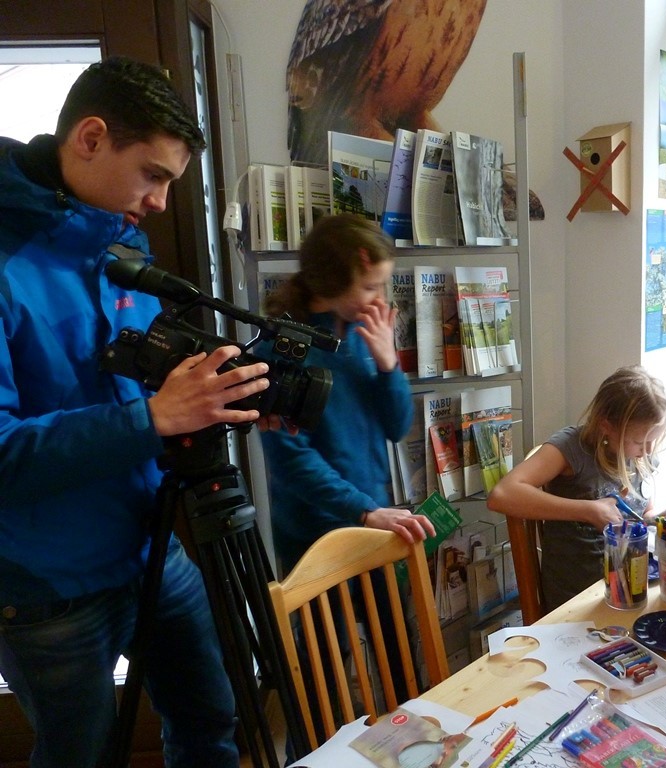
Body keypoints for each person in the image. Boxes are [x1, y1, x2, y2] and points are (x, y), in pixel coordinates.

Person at [0, 57, 266, 767]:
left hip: (151, 545)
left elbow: (141, 383)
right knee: (79, 755)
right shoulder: (7, 262)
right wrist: (154, 419)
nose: (159, 202)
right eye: (154, 175)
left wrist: (220, 404)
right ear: (90, 138)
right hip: (47, 583)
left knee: (213, 720)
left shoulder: (119, 246)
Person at [258, 214, 434, 722]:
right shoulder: (281, 350)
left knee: (401, 659)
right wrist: (364, 511)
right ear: (333, 280)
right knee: (323, 680)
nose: (379, 298)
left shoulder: (361, 331)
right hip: (317, 536)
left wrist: (387, 363)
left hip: (374, 522)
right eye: (371, 285)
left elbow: (397, 424)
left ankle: (418, 745)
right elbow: (292, 464)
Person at [486, 365, 666, 611]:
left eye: (653, 441)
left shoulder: (637, 457)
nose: (648, 451)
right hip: (578, 601)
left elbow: (640, 518)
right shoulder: (572, 448)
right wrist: (586, 510)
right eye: (640, 441)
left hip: (628, 590)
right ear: (607, 426)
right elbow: (502, 496)